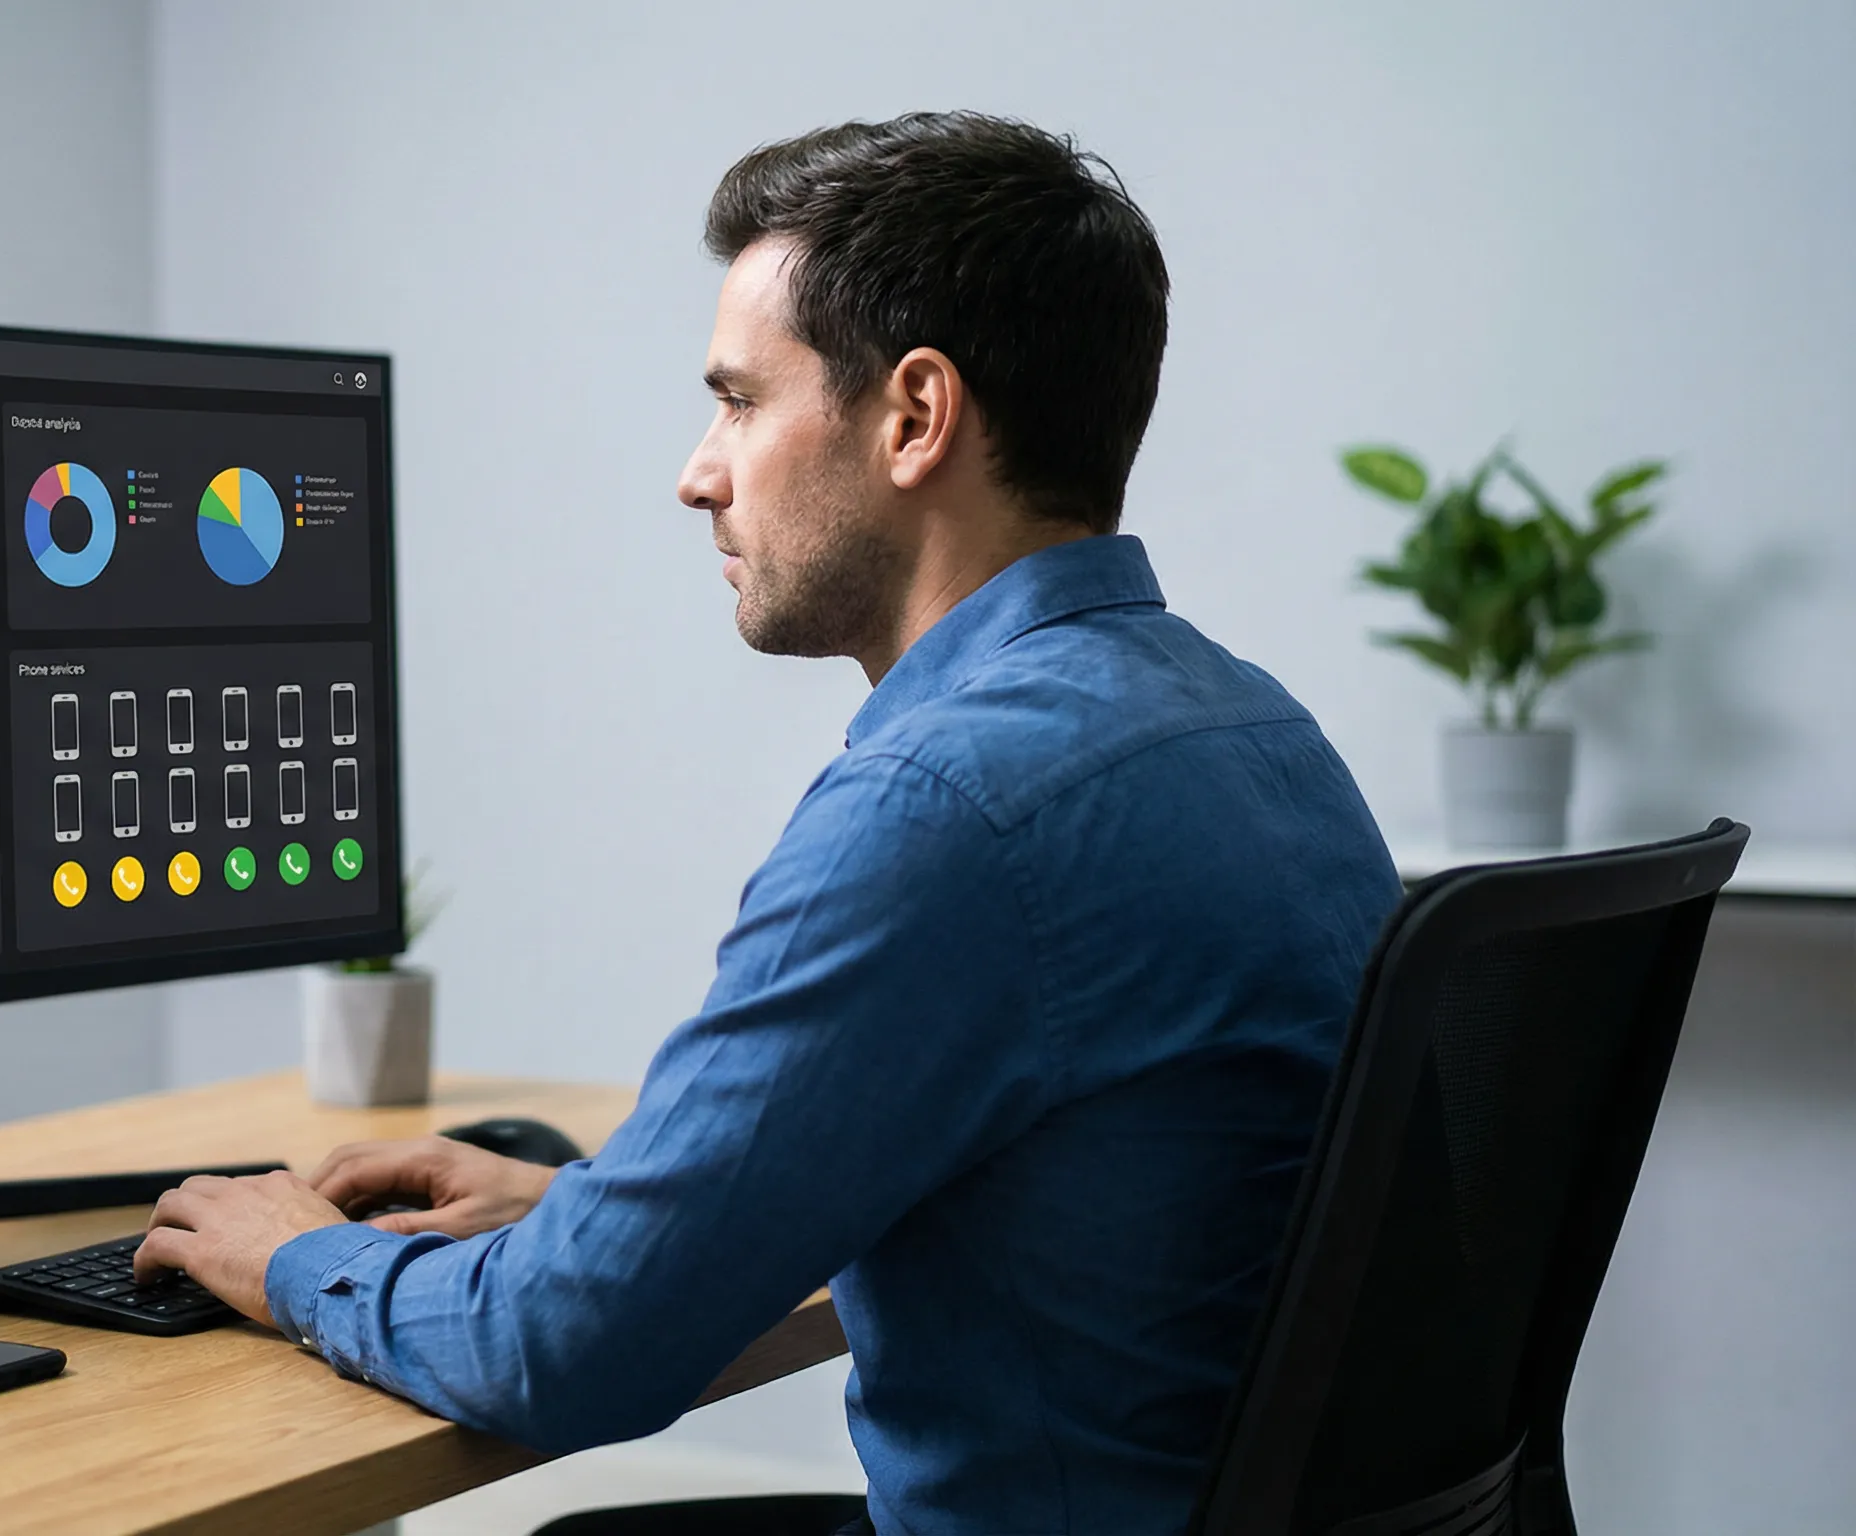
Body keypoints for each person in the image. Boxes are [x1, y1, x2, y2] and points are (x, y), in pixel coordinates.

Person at [134, 112, 1400, 1535]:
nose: (700, 471)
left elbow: (564, 1353)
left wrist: (297, 1257)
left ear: (914, 418)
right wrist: (593, 1216)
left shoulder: (952, 806)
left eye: (739, 402)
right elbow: (1087, 1190)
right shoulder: (1251, 729)